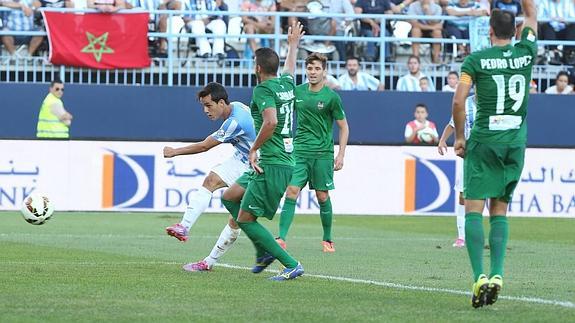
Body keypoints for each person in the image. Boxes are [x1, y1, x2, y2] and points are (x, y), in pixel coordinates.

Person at [452, 0, 538, 308]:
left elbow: (459, 102)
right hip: (514, 142)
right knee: (499, 212)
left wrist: (460, 137)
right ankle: (498, 274)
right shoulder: (526, 52)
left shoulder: (475, 61)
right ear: (514, 31)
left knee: (473, 208)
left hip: (485, 140)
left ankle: (479, 278)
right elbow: (532, 13)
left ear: (489, 31)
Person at [219, 22, 305, 281]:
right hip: (280, 159)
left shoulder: (263, 90)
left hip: (272, 161)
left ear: (257, 68)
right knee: (229, 197)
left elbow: (271, 122)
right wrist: (293, 45)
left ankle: (290, 263)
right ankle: (263, 250)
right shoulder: (286, 84)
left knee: (245, 219)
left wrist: (253, 149)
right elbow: (290, 68)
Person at [164, 82, 256, 272]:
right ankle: (184, 226)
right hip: (242, 158)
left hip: (258, 166)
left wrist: (175, 152)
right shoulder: (236, 107)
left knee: (237, 218)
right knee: (210, 181)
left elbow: (205, 146)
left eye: (208, 105)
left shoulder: (234, 122)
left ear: (221, 102)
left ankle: (210, 261)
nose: (205, 110)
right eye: (203, 106)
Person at [276, 52, 349, 253]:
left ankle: (327, 239)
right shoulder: (297, 92)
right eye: (310, 68)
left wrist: (341, 155)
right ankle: (280, 238)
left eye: (317, 68)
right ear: (305, 70)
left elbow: (344, 127)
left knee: (322, 196)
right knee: (291, 191)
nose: (313, 72)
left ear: (324, 72)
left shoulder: (332, 98)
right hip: (299, 152)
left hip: (323, 154)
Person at [438, 95, 477, 248]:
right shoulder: (466, 103)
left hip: (487, 154)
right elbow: (452, 123)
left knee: (489, 195)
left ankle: (490, 235)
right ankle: (461, 236)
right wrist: (442, 140)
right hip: (467, 155)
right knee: (463, 195)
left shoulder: (493, 101)